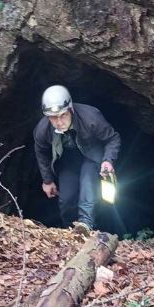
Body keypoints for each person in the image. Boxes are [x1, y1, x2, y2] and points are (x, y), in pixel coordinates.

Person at [33, 85, 121, 232]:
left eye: (63, 115)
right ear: (47, 116)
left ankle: (85, 225)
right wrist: (47, 180)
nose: (59, 122)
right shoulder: (43, 129)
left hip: (92, 156)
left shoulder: (91, 118)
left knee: (87, 187)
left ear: (71, 109)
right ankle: (69, 230)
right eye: (54, 118)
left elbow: (113, 138)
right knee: (66, 199)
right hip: (68, 162)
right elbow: (40, 151)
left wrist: (108, 160)